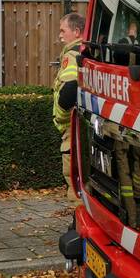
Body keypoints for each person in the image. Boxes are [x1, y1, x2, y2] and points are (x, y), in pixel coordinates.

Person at [54, 13, 84, 201]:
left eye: (63, 30)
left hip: (71, 131)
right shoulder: (85, 51)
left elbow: (69, 89)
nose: (60, 35)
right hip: (80, 127)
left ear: (76, 31)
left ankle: (79, 228)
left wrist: (63, 116)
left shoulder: (72, 55)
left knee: (74, 184)